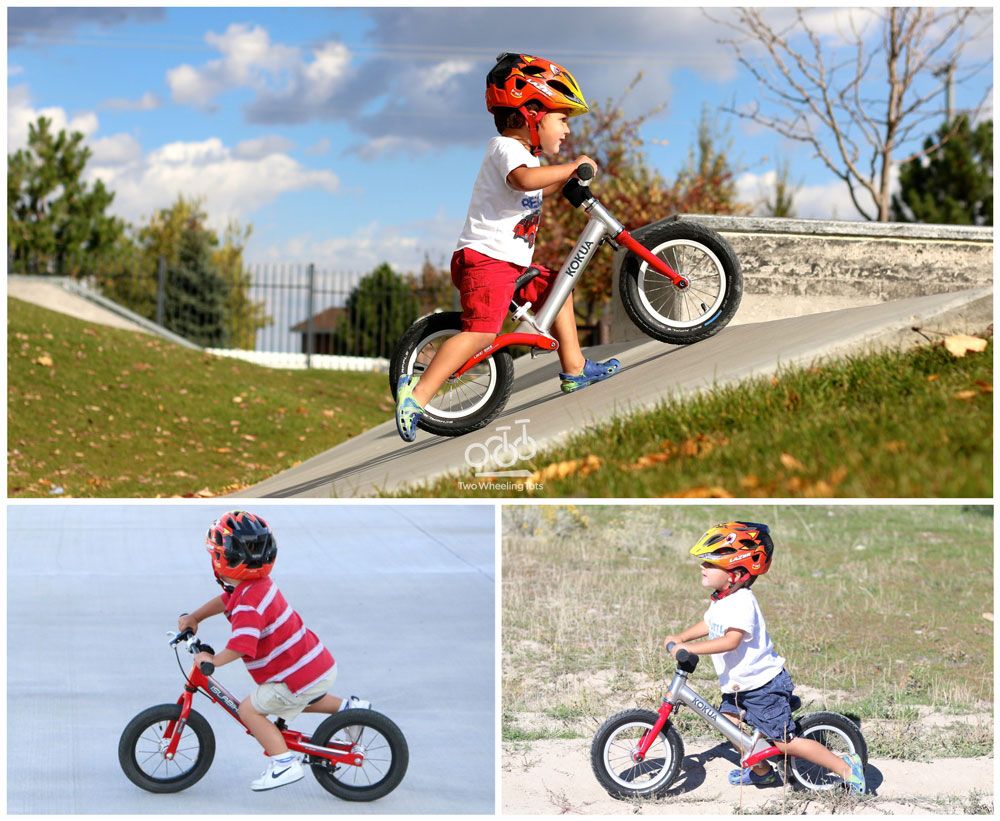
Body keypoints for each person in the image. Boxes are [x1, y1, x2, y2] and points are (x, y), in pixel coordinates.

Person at [395, 52, 620, 442]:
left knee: (557, 289)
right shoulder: (506, 149)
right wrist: (570, 167)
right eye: (561, 119)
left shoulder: (525, 157)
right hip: (487, 261)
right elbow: (523, 181)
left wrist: (565, 182)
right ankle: (416, 397)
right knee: (482, 333)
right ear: (530, 113)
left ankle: (574, 368)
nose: (566, 131)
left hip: (507, 262)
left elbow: (535, 183)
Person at [663, 522, 866, 793]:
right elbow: (709, 625)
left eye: (711, 564)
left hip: (763, 686)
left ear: (734, 574)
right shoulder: (721, 600)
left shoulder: (743, 601)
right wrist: (680, 638)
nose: (702, 566)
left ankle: (846, 767)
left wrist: (690, 650)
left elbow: (730, 640)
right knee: (730, 728)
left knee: (783, 741)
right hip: (738, 687)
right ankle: (763, 773)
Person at [179, 511, 370, 791]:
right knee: (298, 698)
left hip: (294, 673)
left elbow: (242, 645)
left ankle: (284, 764)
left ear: (221, 560)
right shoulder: (255, 585)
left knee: (249, 710)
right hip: (312, 665)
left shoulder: (247, 604)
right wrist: (195, 617)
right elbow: (226, 600)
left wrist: (213, 660)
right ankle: (350, 708)